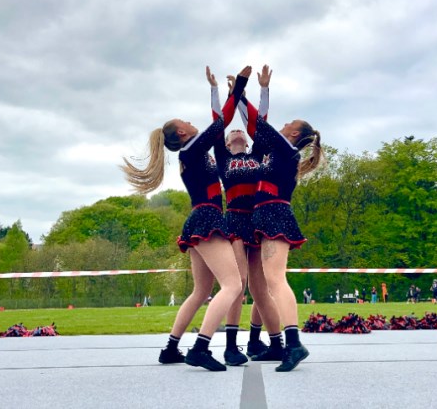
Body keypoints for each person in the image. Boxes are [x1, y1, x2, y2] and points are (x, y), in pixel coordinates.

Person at [121, 67, 252, 371]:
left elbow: (218, 125)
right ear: (181, 133)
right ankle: (201, 347)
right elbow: (219, 124)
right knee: (233, 286)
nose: (192, 123)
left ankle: (170, 348)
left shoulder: (191, 153)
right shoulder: (192, 150)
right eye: (187, 122)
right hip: (207, 219)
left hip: (198, 220)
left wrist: (222, 92)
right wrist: (239, 87)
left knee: (202, 292)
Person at [241, 67, 323, 372]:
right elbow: (255, 126)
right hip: (263, 214)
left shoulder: (285, 149)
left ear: (293, 134)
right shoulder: (276, 149)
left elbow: (255, 123)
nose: (284, 123)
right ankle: (276, 344)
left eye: (289, 123)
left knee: (275, 280)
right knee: (259, 286)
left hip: (275, 214)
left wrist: (243, 89)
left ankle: (294, 344)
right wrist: (246, 93)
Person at [209, 71, 280, 363]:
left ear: (247, 141)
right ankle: (229, 346)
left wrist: (259, 92)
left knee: (260, 287)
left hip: (258, 222)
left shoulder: (256, 154)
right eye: (232, 132)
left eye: (241, 131)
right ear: (226, 144)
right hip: (235, 221)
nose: (237, 130)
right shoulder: (224, 159)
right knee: (237, 284)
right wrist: (224, 93)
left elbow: (259, 124)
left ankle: (263, 341)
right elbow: (218, 121)